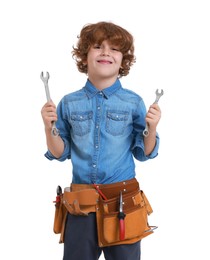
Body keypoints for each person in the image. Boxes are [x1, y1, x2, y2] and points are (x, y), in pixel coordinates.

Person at [41, 21, 161, 260]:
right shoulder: (69, 102)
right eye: (98, 46)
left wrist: (152, 127)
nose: (106, 52)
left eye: (114, 48)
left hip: (123, 205)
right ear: (85, 57)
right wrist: (48, 127)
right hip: (80, 207)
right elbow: (59, 152)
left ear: (123, 61)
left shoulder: (133, 102)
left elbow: (144, 153)